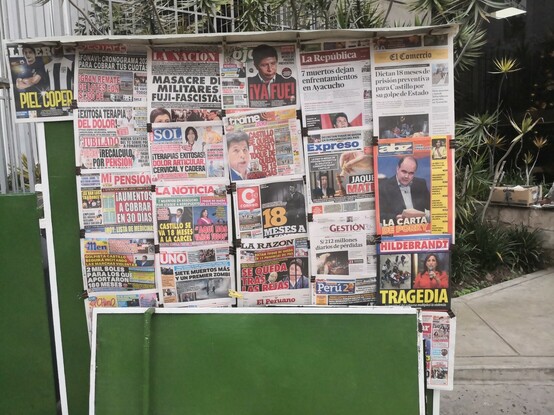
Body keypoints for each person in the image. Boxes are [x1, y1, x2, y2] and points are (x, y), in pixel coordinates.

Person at [378, 156, 430, 224]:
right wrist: (396, 218)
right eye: (404, 172)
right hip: (398, 226)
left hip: (419, 226)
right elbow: (380, 215)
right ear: (397, 169)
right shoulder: (384, 187)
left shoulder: (421, 184)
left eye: (411, 173)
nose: (406, 176)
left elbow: (431, 207)